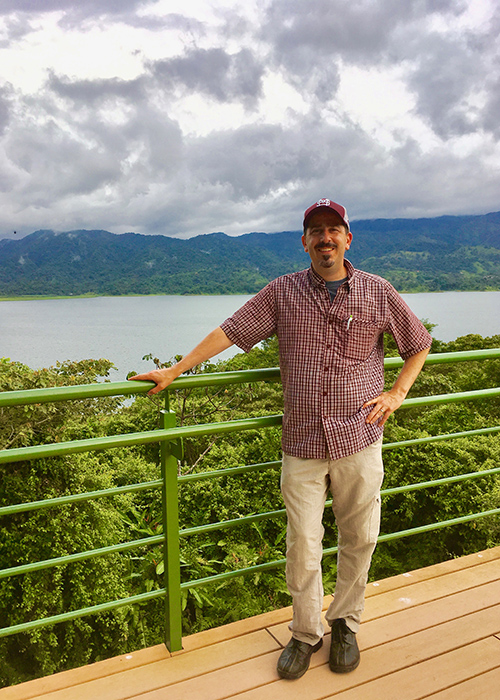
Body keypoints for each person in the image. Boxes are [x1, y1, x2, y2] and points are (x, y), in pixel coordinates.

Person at [129, 198, 432, 680]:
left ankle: (346, 623)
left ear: (347, 238)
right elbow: (230, 331)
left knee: (361, 535)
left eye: (334, 229)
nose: (325, 238)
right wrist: (178, 369)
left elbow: (418, 343)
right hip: (303, 442)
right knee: (302, 542)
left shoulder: (379, 291)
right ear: (305, 241)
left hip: (360, 434)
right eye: (316, 231)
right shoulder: (282, 292)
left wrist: (397, 393)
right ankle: (306, 631)